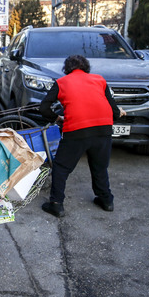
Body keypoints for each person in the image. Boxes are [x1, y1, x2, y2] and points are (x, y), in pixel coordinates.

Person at [39, 54, 125, 218]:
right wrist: (118, 113)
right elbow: (113, 111)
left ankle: (56, 204)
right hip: (103, 129)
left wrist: (57, 118)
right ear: (86, 67)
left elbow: (43, 108)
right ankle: (106, 201)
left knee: (61, 167)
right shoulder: (100, 80)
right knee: (100, 167)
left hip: (76, 130)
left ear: (67, 69)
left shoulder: (61, 82)